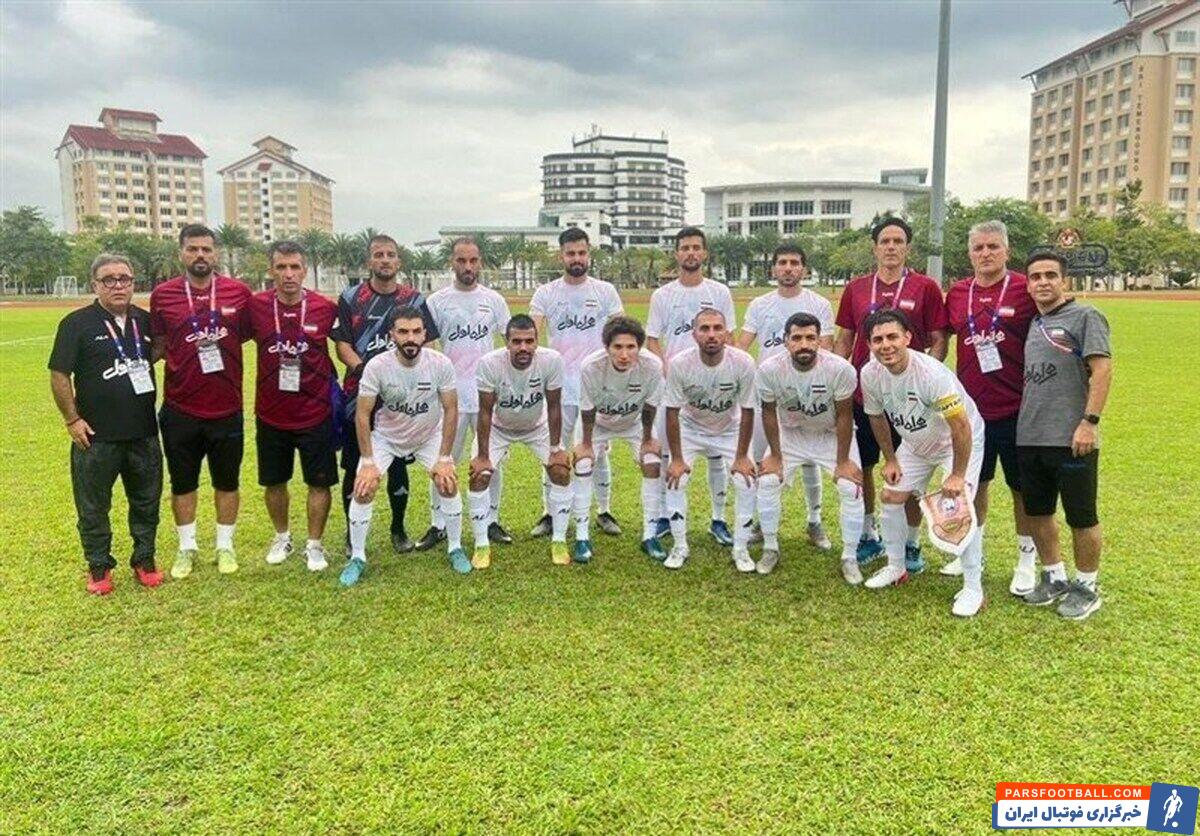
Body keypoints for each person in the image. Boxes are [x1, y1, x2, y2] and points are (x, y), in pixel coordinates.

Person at [834, 216, 947, 574]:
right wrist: (841, 379)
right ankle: (869, 534)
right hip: (866, 395)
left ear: (907, 248)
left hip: (909, 401)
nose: (891, 247)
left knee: (909, 471)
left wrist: (924, 382)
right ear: (875, 247)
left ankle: (912, 542)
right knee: (865, 465)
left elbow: (938, 339)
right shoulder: (856, 288)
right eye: (885, 241)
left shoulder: (925, 287)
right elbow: (844, 339)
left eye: (898, 241)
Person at [858, 309, 987, 617]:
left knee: (958, 505)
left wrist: (957, 475)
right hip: (915, 444)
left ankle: (973, 588)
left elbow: (961, 426)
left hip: (956, 442)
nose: (886, 345)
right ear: (869, 344)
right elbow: (876, 416)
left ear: (907, 338)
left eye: (892, 337)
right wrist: (890, 458)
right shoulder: (870, 373)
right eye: (878, 340)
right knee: (891, 495)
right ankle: (896, 566)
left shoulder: (931, 373)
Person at [49, 253, 163, 594]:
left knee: (146, 502)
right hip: (96, 437)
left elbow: (159, 350)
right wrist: (72, 419)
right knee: (93, 506)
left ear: (133, 283)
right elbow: (59, 374)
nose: (118, 285)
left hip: (143, 431)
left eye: (124, 279)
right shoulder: (76, 323)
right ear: (95, 285)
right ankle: (99, 566)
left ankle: (144, 559)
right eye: (109, 280)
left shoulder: (145, 321)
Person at [150, 224, 252, 579]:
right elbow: (159, 343)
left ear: (216, 253)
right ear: (181, 252)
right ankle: (186, 547)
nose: (200, 255)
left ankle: (225, 546)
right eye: (193, 248)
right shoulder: (163, 295)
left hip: (227, 407)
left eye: (206, 249)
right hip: (180, 408)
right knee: (183, 483)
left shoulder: (239, 293)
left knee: (227, 481)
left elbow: (246, 335)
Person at [944, 220, 1040, 594]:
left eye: (993, 247)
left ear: (1007, 251)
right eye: (979, 248)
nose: (985, 253)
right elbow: (940, 340)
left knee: (1021, 489)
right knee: (973, 486)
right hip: (970, 412)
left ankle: (1026, 561)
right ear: (970, 254)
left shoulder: (1024, 288)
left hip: (1018, 408)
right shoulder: (957, 292)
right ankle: (972, 552)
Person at [1017, 252, 1112, 621]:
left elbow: (1102, 370)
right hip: (1030, 434)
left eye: (1050, 275)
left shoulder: (1085, 316)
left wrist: (1089, 422)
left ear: (1064, 280)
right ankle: (1054, 577)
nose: (1043, 282)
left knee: (1081, 516)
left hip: (1072, 437)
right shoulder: (1034, 322)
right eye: (1035, 276)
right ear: (1028, 284)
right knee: (1038, 511)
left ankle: (1086, 586)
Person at [332, 234, 438, 555]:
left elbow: (429, 343)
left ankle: (398, 529)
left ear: (398, 260)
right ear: (370, 261)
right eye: (378, 254)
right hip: (360, 396)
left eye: (390, 254)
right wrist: (367, 373)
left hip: (402, 397)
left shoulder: (414, 299)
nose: (385, 260)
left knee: (397, 464)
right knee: (356, 465)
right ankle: (352, 534)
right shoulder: (351, 297)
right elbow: (342, 345)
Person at [343, 307, 463, 585]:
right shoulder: (377, 366)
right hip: (387, 438)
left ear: (425, 334)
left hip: (427, 436)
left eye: (416, 331)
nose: (410, 338)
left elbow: (451, 408)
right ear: (391, 335)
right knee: (364, 488)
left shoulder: (440, 363)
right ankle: (357, 557)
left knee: (447, 482)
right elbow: (362, 414)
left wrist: (445, 457)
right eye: (403, 332)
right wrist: (368, 463)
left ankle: (456, 547)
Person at [244, 241, 339, 572]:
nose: (288, 274)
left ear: (304, 270)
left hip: (315, 412)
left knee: (319, 482)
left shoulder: (324, 308)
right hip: (271, 413)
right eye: (281, 267)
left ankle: (314, 544)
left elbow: (344, 343)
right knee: (275, 481)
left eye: (295, 267)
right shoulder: (255, 306)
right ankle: (282, 536)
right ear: (271, 270)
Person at [737, 243, 836, 550]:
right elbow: (742, 347)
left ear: (804, 269)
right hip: (768, 394)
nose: (789, 268)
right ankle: (760, 520)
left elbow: (827, 348)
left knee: (809, 461)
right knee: (762, 459)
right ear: (774, 269)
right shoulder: (760, 304)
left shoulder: (819, 304)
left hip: (807, 395)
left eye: (795, 262)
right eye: (783, 262)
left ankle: (814, 520)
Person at [528, 227, 624, 537]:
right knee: (554, 450)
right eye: (570, 253)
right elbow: (532, 336)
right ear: (561, 256)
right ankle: (549, 512)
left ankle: (604, 511)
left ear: (589, 254)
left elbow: (618, 336)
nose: (577, 258)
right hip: (558, 389)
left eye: (582, 253)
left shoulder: (605, 292)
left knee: (598, 451)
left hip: (597, 388)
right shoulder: (546, 293)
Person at [647, 226, 738, 546]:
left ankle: (719, 519)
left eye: (696, 247)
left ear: (705, 253)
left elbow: (728, 337)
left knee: (716, 455)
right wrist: (668, 372)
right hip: (674, 387)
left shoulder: (719, 292)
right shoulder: (662, 295)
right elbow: (652, 339)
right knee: (668, 453)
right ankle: (663, 516)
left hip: (713, 386)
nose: (691, 253)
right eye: (685, 248)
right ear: (677, 254)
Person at [755, 313, 864, 581]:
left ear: (819, 340)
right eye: (797, 338)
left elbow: (844, 416)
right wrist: (775, 455)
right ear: (785, 341)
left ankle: (850, 557)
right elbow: (768, 412)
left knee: (850, 486)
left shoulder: (839, 369)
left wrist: (843, 461)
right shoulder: (769, 369)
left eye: (810, 338)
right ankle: (770, 548)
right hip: (791, 434)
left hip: (830, 435)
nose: (804, 344)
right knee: (768, 480)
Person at [420, 237, 512, 551]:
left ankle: (492, 520)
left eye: (473, 260)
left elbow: (510, 345)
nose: (468, 266)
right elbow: (428, 350)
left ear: (480, 262)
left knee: (490, 460)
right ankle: (438, 524)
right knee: (443, 459)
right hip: (450, 399)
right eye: (461, 260)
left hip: (487, 397)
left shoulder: (494, 300)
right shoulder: (437, 301)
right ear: (452, 262)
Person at [469, 315, 571, 567]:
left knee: (560, 470)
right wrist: (482, 455)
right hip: (498, 428)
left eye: (529, 341)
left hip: (537, 427)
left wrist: (556, 448)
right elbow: (485, 411)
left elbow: (554, 405)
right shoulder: (489, 363)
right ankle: (481, 544)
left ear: (537, 341)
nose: (523, 347)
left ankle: (559, 539)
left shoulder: (552, 360)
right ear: (507, 342)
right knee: (479, 475)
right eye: (516, 342)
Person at [663, 309, 758, 571]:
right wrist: (677, 459)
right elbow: (671, 412)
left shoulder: (743, 362)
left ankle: (741, 549)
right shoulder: (680, 363)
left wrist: (741, 457)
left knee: (746, 480)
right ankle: (679, 545)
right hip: (691, 428)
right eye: (704, 329)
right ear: (694, 334)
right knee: (676, 479)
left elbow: (748, 410)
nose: (712, 334)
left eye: (718, 328)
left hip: (729, 429)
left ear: (727, 333)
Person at [572, 316, 665, 562]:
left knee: (652, 462)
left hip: (634, 423)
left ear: (639, 347)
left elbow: (650, 406)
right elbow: (587, 409)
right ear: (607, 347)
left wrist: (647, 439)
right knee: (583, 464)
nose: (624, 355)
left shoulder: (653, 365)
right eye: (618, 347)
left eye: (631, 347)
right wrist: (587, 445)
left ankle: (650, 535)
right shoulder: (590, 366)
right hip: (597, 423)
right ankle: (582, 537)